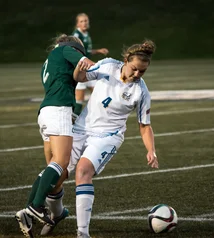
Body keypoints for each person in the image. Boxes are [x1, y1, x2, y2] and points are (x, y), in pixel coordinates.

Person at [41, 39, 159, 238]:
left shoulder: (141, 91)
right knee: (56, 175)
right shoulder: (107, 65)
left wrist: (151, 150)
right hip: (82, 128)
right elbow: (80, 76)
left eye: (142, 71)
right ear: (126, 60)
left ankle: (82, 233)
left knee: (83, 171)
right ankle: (56, 214)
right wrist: (79, 69)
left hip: (108, 136)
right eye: (134, 69)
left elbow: (144, 126)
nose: (137, 74)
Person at [14, 33, 94, 238]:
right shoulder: (66, 50)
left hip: (46, 112)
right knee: (62, 162)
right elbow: (87, 64)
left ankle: (30, 211)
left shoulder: (48, 61)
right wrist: (112, 72)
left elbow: (70, 79)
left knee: (52, 169)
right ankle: (36, 206)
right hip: (58, 110)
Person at [72, 13, 109, 116]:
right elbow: (74, 52)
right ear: (77, 24)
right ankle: (72, 122)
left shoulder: (86, 34)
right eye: (81, 21)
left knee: (99, 92)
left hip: (88, 70)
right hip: (80, 69)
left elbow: (86, 51)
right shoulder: (76, 35)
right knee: (79, 99)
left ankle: (99, 116)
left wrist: (98, 51)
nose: (84, 23)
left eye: (86, 21)